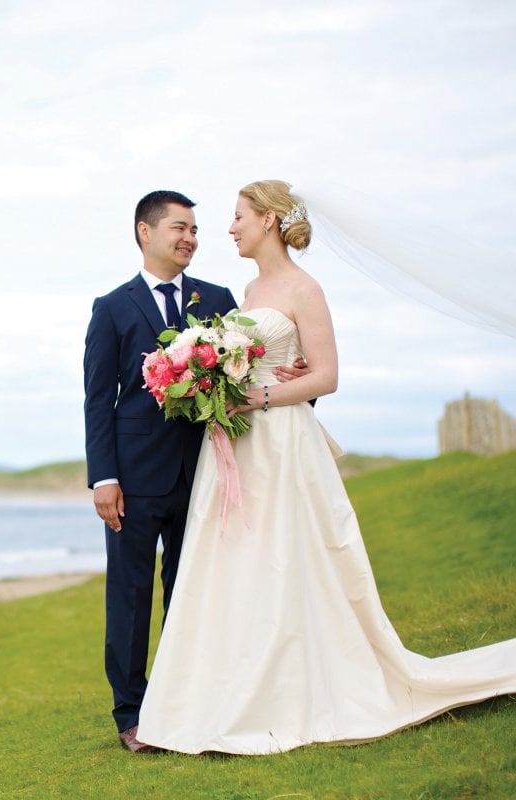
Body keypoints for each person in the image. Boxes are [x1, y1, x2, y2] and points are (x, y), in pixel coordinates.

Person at [136, 180, 516, 755]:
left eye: (238, 216)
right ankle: (233, 691)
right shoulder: (250, 287)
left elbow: (327, 376)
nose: (229, 228)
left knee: (288, 555)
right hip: (239, 442)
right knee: (241, 559)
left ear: (268, 220)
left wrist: (256, 397)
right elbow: (269, 361)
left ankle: (297, 687)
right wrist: (221, 382)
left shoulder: (303, 288)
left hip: (281, 441)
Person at [83, 189, 308, 752]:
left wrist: (289, 378)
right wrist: (103, 478)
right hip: (134, 478)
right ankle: (131, 712)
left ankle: (190, 702)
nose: (190, 239)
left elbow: (244, 375)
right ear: (145, 232)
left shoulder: (219, 298)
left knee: (196, 591)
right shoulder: (112, 307)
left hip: (210, 471)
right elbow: (97, 400)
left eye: (195, 230)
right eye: (179, 228)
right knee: (131, 595)